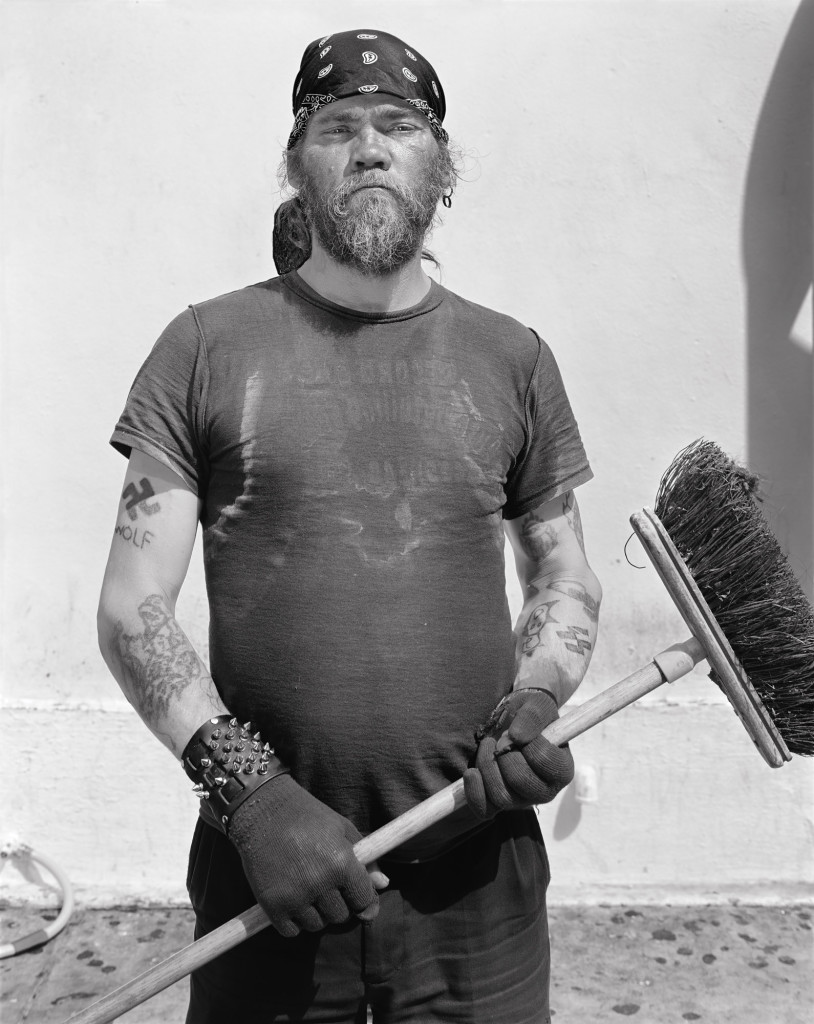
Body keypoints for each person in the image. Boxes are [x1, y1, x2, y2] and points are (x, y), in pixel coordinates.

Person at [98, 28, 602, 1024]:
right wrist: (250, 796)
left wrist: (534, 699)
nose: (370, 148)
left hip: (476, 871)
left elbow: (561, 573)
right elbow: (131, 604)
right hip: (269, 872)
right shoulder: (203, 346)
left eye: (399, 125)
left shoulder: (514, 358)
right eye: (338, 128)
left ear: (440, 165)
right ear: (296, 163)